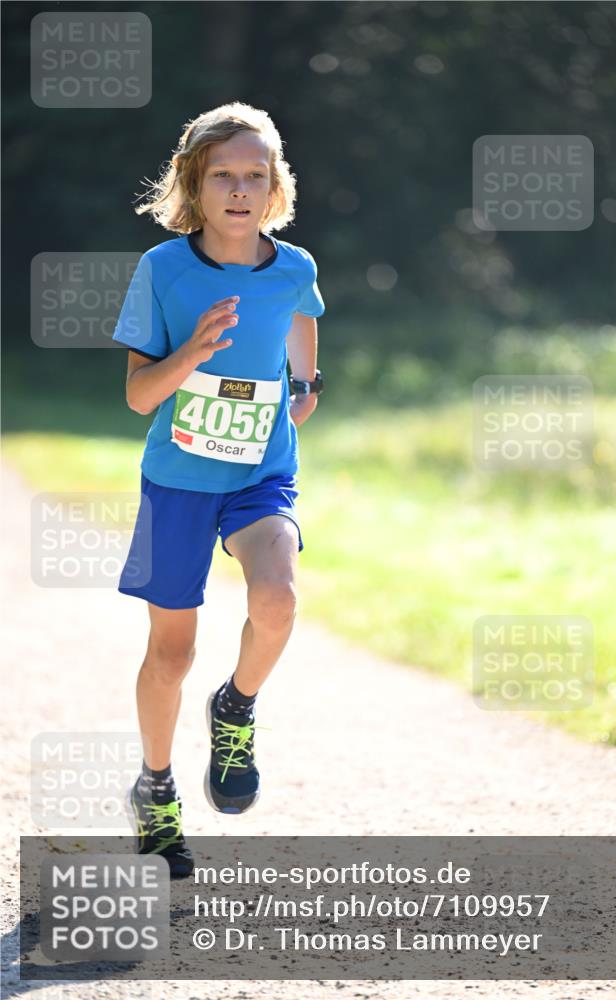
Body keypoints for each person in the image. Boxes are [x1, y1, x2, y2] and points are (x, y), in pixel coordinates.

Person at [112, 101, 325, 878]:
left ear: (274, 188)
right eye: (222, 176)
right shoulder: (164, 271)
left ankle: (235, 708)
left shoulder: (294, 265)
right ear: (194, 186)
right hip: (178, 480)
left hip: (261, 472)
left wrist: (307, 382)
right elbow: (138, 396)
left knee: (278, 600)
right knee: (172, 654)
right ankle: (157, 789)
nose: (239, 190)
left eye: (254, 176)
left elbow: (301, 316)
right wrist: (193, 350)